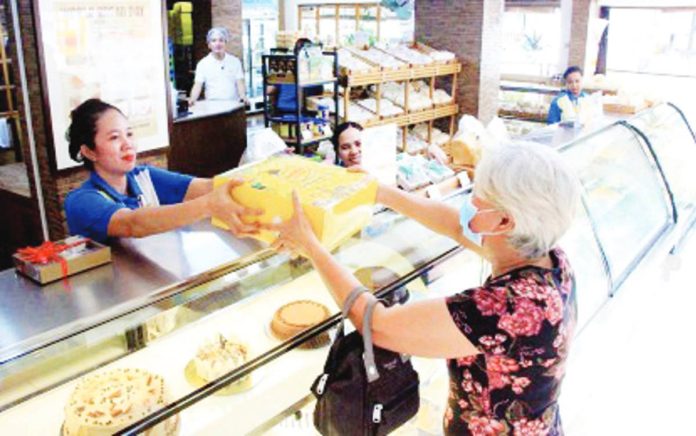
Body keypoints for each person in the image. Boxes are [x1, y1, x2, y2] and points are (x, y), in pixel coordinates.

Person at [269, 141, 580, 435]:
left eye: (477, 200)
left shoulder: (508, 308)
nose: (468, 206)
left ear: (503, 222)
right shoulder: (549, 258)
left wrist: (311, 246)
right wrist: (380, 192)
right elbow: (459, 226)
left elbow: (376, 325)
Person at [64, 98, 260, 243]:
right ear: (89, 151)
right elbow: (133, 224)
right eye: (114, 137)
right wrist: (209, 205)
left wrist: (266, 174)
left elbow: (208, 186)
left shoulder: (144, 176)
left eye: (129, 134)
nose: (128, 144)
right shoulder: (81, 201)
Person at [189, 27, 247, 106]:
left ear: (226, 43)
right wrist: (192, 99)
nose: (218, 44)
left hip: (233, 105)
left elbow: (240, 83)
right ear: (209, 45)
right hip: (212, 106)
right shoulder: (202, 64)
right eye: (213, 41)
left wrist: (243, 96)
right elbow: (197, 85)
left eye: (221, 40)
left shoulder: (235, 62)